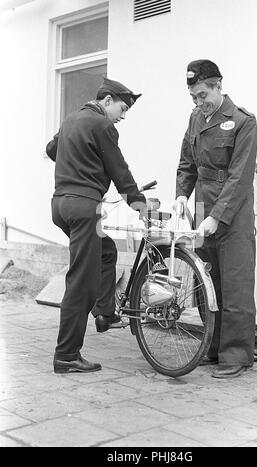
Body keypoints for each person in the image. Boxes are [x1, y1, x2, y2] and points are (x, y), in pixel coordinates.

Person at [46, 78, 148, 374]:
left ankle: (105, 313)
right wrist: (139, 204)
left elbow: (52, 150)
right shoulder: (103, 126)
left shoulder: (71, 121)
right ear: (106, 100)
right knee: (81, 281)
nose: (123, 115)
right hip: (83, 208)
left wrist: (75, 155)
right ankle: (66, 354)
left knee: (106, 252)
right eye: (122, 107)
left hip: (61, 206)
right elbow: (120, 170)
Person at [174, 60, 257, 379]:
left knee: (235, 286)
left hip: (232, 214)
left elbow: (239, 178)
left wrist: (216, 217)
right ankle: (214, 348)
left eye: (203, 94)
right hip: (203, 209)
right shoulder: (195, 119)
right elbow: (186, 163)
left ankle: (236, 356)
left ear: (218, 85)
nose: (198, 102)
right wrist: (183, 194)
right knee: (208, 284)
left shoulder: (242, 122)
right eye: (193, 96)